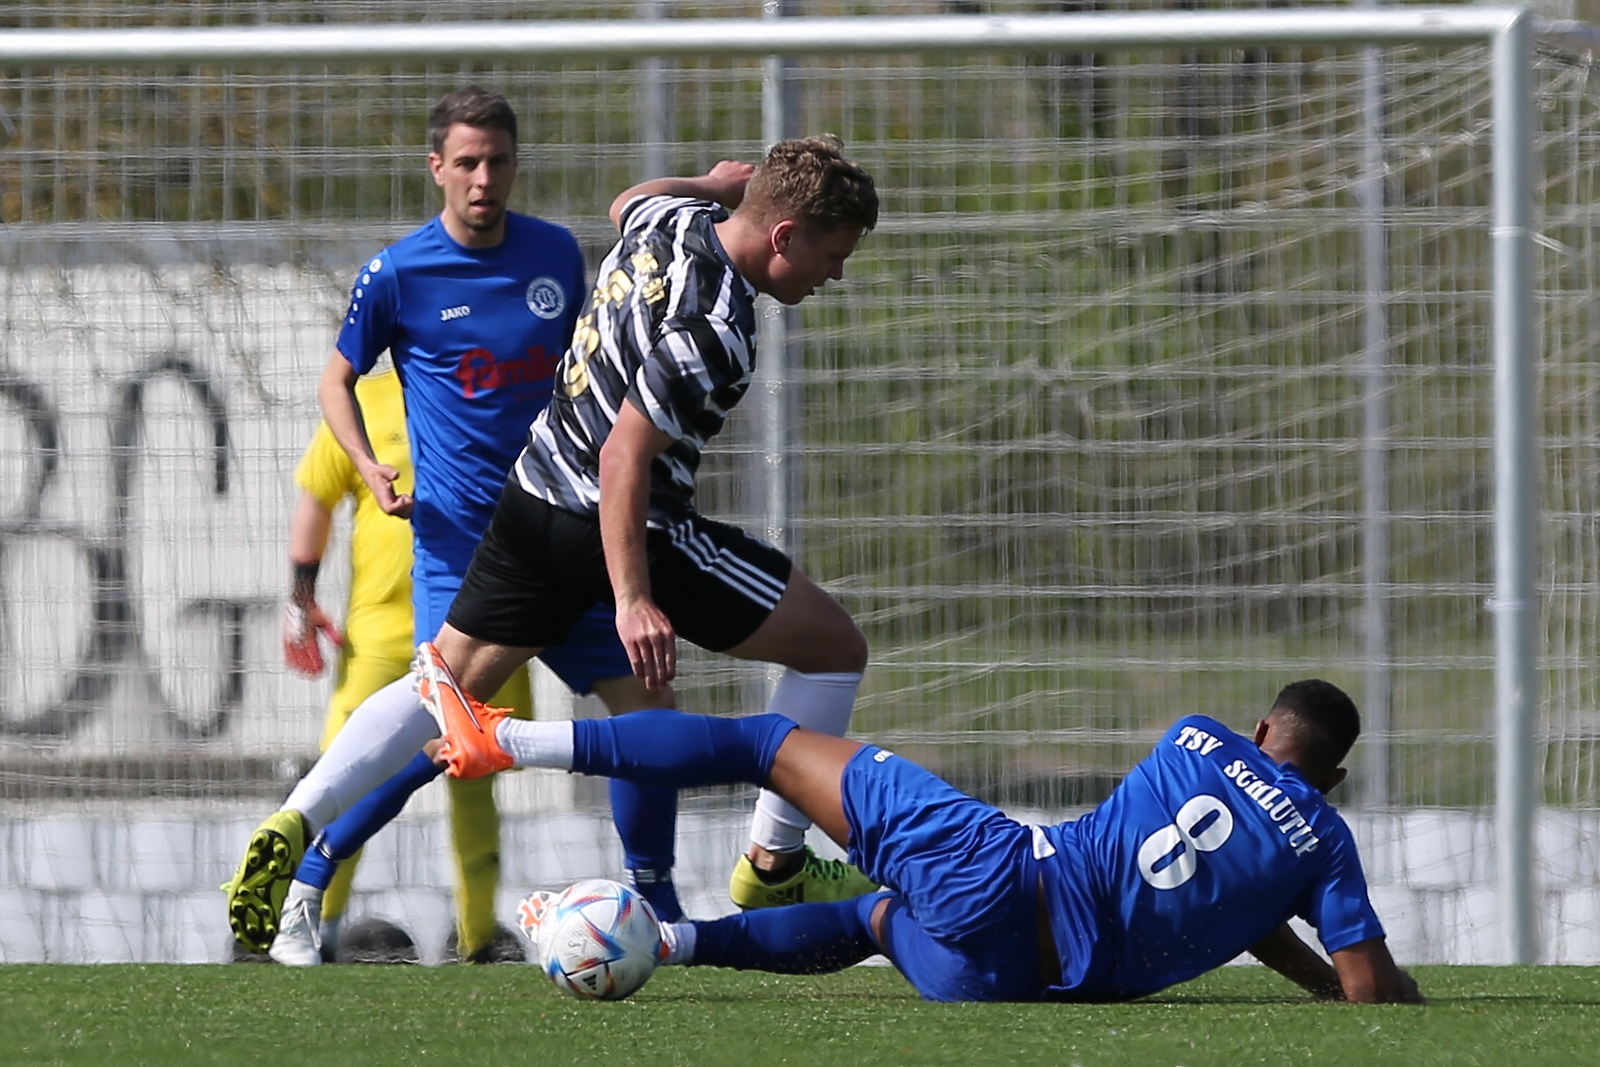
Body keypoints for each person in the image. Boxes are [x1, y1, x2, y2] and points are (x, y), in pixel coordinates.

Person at [225, 136, 885, 954]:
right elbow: (624, 458)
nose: (834, 275)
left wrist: (710, 183)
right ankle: (773, 861)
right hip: (626, 524)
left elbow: (627, 199)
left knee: (439, 686)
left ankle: (298, 819)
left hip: (532, 495)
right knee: (832, 649)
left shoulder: (672, 219)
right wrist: (634, 598)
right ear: (783, 236)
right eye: (832, 255)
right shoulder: (717, 325)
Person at [226, 86, 676, 957]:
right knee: (436, 735)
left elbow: (586, 370)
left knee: (648, 704)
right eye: (466, 162)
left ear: (515, 164)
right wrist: (366, 462)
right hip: (461, 556)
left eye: (497, 161)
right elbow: (335, 380)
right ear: (436, 167)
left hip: (564, 534)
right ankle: (306, 880)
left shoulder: (555, 255)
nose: (482, 178)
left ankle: (654, 899)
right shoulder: (398, 273)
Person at [470, 679, 1424, 1004]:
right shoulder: (1322, 843)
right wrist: (1363, 989)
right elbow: (1363, 983)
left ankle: (509, 740)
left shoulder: (1197, 736)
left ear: (1262, 728)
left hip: (997, 875)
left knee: (764, 744)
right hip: (1006, 978)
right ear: (1332, 775)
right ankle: (667, 940)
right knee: (874, 919)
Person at [275, 367, 532, 965]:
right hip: (378, 637)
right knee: (342, 776)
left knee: (473, 773)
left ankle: (477, 939)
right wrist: (300, 599)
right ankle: (314, 925)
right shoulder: (363, 401)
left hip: (481, 631)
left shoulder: (494, 392)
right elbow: (317, 497)